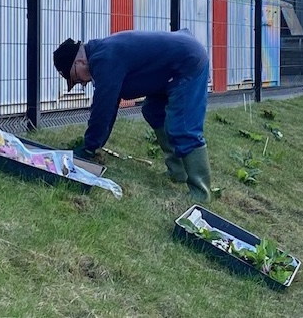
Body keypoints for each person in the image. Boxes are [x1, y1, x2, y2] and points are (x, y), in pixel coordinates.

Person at [52, 28, 212, 203]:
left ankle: (200, 192)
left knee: (184, 126)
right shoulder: (102, 53)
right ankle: (178, 172)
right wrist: (94, 145)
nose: (82, 83)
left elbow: (102, 108)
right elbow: (110, 105)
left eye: (76, 79)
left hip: (187, 62)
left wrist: (89, 148)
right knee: (153, 111)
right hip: (170, 67)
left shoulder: (104, 59)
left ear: (79, 62)